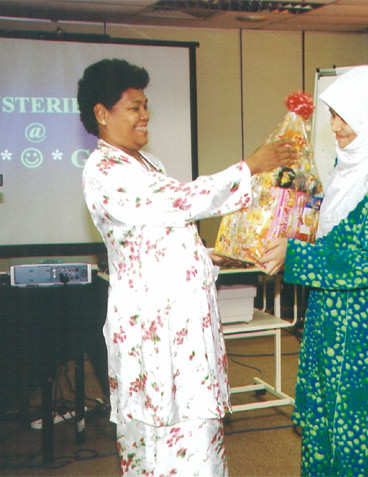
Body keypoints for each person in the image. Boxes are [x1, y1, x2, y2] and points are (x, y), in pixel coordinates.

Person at [77, 58, 297, 477]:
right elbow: (184, 201)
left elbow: (160, 232)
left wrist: (209, 254)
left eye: (146, 106)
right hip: (152, 323)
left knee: (197, 425)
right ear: (102, 114)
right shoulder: (105, 171)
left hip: (181, 317)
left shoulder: (147, 163)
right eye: (134, 107)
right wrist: (251, 165)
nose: (145, 116)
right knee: (161, 431)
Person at [259, 66, 368, 477]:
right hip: (326, 323)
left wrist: (294, 256)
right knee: (321, 436)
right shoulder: (346, 169)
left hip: (365, 337)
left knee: (356, 441)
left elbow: (366, 262)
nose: (334, 127)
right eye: (332, 115)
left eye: (345, 116)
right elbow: (330, 240)